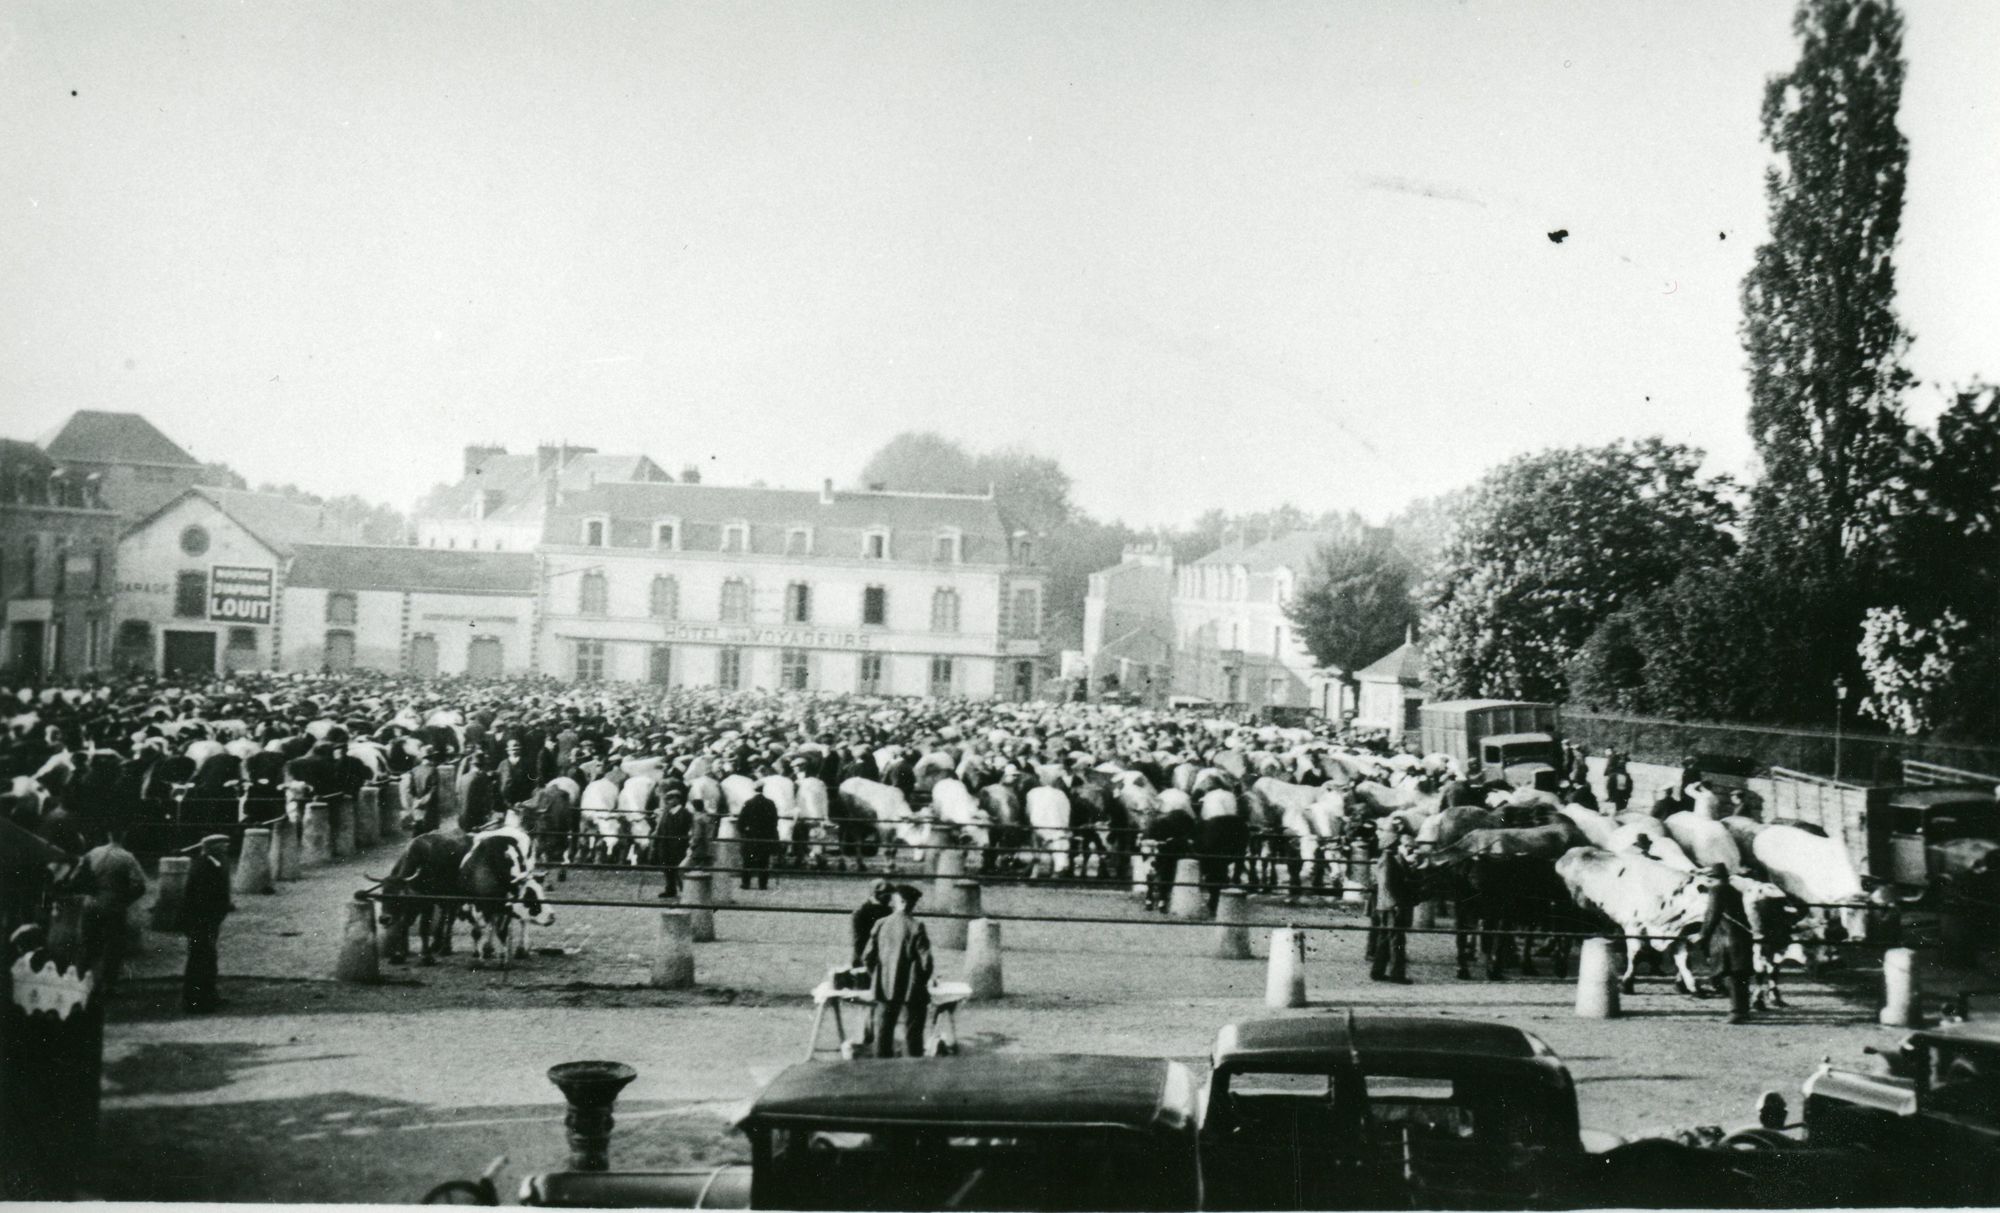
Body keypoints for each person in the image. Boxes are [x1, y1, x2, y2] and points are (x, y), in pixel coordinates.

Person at [862, 884, 934, 1058]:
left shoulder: (881, 924)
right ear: (910, 904)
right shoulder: (916, 926)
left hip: (885, 984)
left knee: (884, 1029)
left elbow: (868, 957)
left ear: (898, 901)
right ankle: (913, 1065)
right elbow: (926, 962)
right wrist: (922, 981)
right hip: (911, 987)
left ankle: (882, 1066)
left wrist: (878, 976)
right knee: (914, 1031)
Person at [82, 824, 147, 992]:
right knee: (114, 946)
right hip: (113, 905)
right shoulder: (127, 857)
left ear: (108, 834)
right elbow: (140, 885)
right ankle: (108, 984)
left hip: (91, 903)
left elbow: (80, 876)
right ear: (124, 835)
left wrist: (90, 890)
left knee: (89, 944)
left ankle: (85, 982)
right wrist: (125, 899)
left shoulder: (93, 853)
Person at [182, 833, 235, 1013]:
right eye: (223, 846)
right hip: (201, 920)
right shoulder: (206, 866)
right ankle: (197, 1000)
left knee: (206, 958)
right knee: (201, 959)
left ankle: (205, 996)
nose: (226, 849)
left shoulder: (209, 863)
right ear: (214, 848)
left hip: (205, 920)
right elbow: (204, 897)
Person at [1696, 863, 1754, 1024]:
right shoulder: (1734, 890)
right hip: (1741, 937)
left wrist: (1703, 935)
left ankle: (1736, 1012)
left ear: (1712, 878)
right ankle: (1744, 1010)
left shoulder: (1716, 890)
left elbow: (1712, 915)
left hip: (1728, 939)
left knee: (1732, 975)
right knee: (1741, 976)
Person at [1369, 826, 1416, 983]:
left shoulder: (1386, 858)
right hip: (1391, 906)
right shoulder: (1389, 861)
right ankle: (1397, 974)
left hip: (1384, 905)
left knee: (1384, 939)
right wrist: (1396, 904)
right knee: (1397, 940)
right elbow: (1387, 884)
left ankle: (1377, 971)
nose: (1398, 845)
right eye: (1396, 842)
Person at [737, 787, 780, 891]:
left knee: (747, 861)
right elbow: (775, 821)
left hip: (751, 836)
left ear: (754, 790)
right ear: (763, 790)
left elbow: (740, 822)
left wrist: (744, 831)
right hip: (765, 836)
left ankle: (746, 883)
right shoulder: (770, 803)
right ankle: (762, 884)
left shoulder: (748, 803)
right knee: (764, 861)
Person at [850, 879, 893, 968]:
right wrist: (860, 960)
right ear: (876, 894)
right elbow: (859, 940)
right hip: (866, 958)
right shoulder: (862, 911)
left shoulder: (888, 910)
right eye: (887, 895)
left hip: (884, 958)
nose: (890, 898)